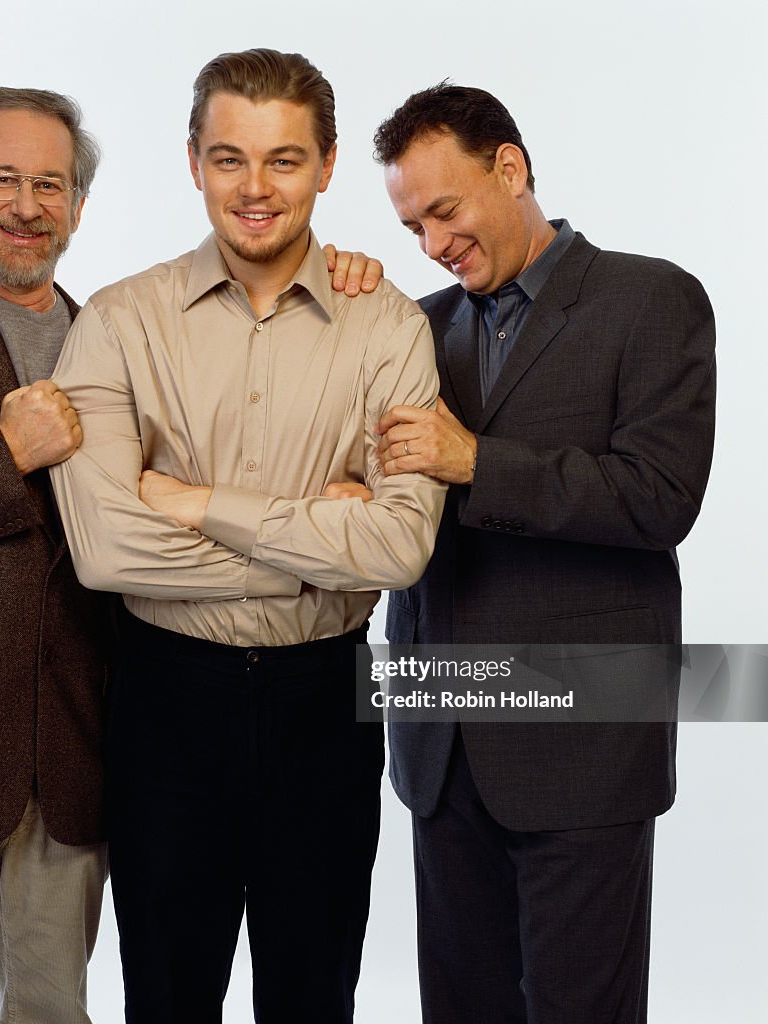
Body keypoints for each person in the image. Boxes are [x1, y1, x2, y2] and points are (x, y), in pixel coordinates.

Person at [0, 82, 382, 1024]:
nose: (28, 206)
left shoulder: (118, 332)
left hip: (79, 750)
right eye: (3, 180)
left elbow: (178, 508)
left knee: (53, 1011)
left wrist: (320, 514)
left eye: (52, 183)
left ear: (80, 203)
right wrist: (4, 457)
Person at [50, 48, 447, 1024]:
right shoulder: (116, 323)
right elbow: (104, 550)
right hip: (165, 701)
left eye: (283, 159)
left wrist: (193, 502)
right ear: (193, 162)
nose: (255, 188)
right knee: (169, 999)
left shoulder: (388, 327)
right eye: (230, 158)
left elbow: (400, 549)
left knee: (313, 1000)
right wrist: (323, 533)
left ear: (325, 164)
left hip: (328, 704)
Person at [372, 83, 716, 1023]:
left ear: (510, 169)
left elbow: (659, 497)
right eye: (412, 228)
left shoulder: (652, 299)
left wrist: (474, 461)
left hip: (586, 740)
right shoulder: (412, 324)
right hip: (439, 740)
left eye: (444, 212)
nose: (433, 244)